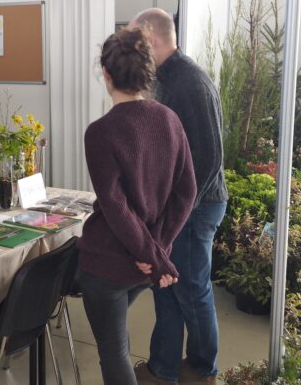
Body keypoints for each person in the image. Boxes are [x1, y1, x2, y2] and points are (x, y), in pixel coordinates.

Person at [78, 27, 196, 385]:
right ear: (149, 72)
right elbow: (186, 192)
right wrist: (156, 251)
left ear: (106, 74)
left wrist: (152, 253)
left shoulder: (100, 132)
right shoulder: (170, 120)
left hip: (109, 264)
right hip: (143, 267)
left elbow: (115, 207)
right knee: (118, 343)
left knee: (113, 353)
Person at [129, 8, 229, 385]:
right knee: (166, 288)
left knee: (190, 291)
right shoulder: (166, 78)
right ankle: (163, 368)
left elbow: (208, 157)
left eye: (137, 42)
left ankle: (202, 371)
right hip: (179, 207)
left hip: (196, 207)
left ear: (152, 40)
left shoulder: (188, 82)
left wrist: (179, 213)